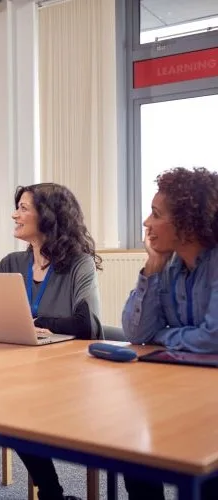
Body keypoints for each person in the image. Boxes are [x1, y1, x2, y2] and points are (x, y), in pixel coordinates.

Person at [0, 182, 102, 500]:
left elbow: (87, 325)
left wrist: (35, 324)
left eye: (24, 208)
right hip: (13, 370)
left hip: (61, 375)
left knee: (13, 404)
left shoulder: (78, 264)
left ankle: (51, 492)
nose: (15, 214)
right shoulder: (12, 264)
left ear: (48, 215)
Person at [121, 167, 218, 500]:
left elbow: (213, 338)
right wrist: (151, 268)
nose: (146, 223)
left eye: (156, 214)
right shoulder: (169, 265)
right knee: (133, 455)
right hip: (181, 385)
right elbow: (136, 331)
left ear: (189, 223)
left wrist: (165, 336)